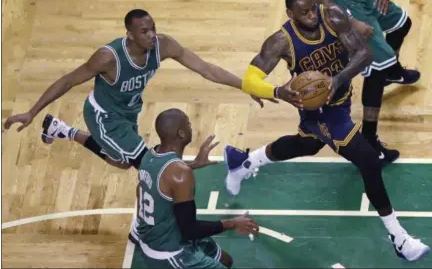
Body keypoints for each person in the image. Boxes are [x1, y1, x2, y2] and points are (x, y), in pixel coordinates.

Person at [224, 0, 430, 262]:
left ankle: (244, 162)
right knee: (368, 160)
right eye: (304, 12)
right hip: (319, 111)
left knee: (307, 144)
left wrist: (338, 79)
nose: (311, 15)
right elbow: (250, 79)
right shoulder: (281, 42)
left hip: (339, 99)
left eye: (311, 8)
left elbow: (364, 54)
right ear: (290, 14)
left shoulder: (331, 16)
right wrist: (276, 91)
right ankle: (399, 237)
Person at [3, 9, 298, 170]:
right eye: (144, 32)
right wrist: (30, 112)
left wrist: (250, 87)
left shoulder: (164, 45)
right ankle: (143, 228)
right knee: (144, 165)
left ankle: (60, 129)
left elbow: (207, 69)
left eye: (153, 28)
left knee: (119, 161)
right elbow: (68, 80)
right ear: (129, 35)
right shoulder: (109, 57)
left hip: (129, 111)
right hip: (105, 117)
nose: (152, 35)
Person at [129, 108, 259, 268]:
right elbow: (190, 230)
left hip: (161, 233)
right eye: (188, 124)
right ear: (181, 133)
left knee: (226, 261)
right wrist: (232, 223)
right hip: (169, 252)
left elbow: (158, 182)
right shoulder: (181, 173)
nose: (192, 127)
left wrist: (194, 164)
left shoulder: (150, 155)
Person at [312, 0, 419, 164]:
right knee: (376, 71)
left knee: (401, 23)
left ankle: (392, 71)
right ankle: (369, 139)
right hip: (344, 12)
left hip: (361, 1)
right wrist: (351, 22)